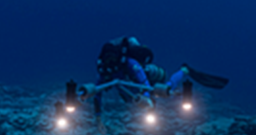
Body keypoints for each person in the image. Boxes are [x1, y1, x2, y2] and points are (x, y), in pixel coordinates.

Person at [88, 36, 227, 109]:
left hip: (145, 77)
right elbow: (97, 92)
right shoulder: (105, 70)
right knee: (132, 100)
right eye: (108, 60)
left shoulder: (131, 63)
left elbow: (143, 81)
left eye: (112, 59)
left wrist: (148, 96)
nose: (111, 62)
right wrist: (98, 117)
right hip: (130, 87)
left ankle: (184, 70)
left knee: (167, 89)